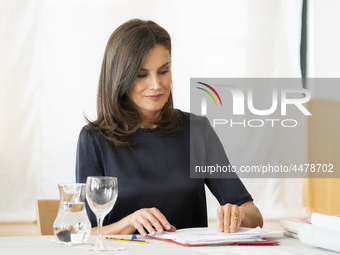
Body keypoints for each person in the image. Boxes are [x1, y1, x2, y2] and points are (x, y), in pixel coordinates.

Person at [76, 18, 263, 237]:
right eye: (141, 75)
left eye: (163, 71)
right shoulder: (94, 139)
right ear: (120, 78)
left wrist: (238, 214)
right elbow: (83, 231)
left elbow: (254, 215)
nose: (156, 85)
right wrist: (129, 222)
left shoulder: (197, 130)